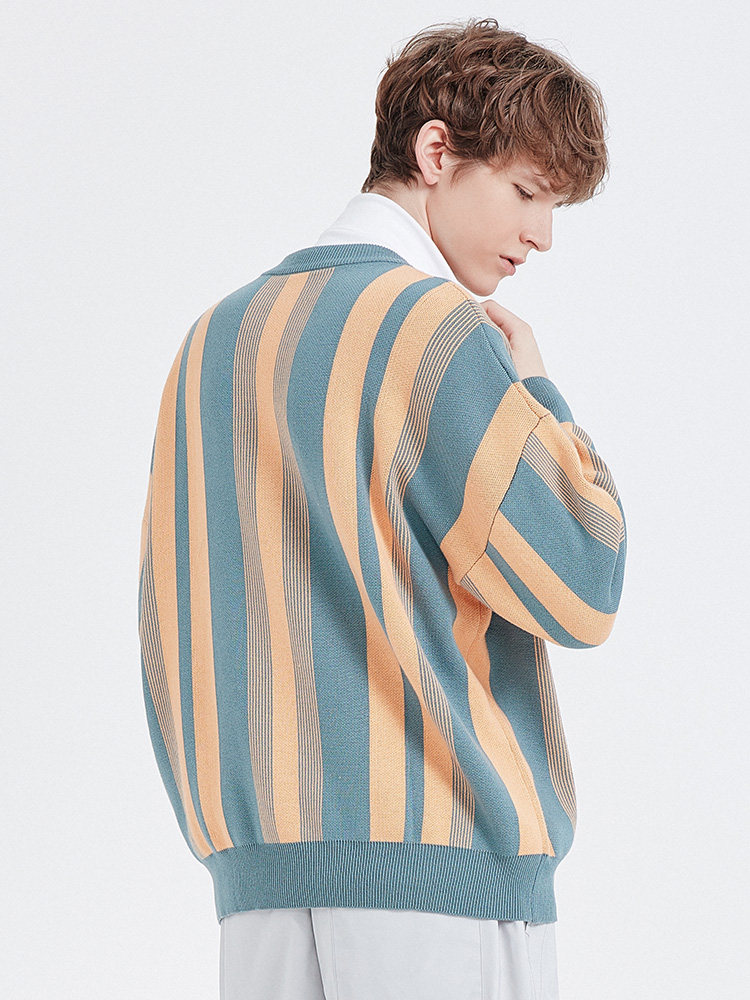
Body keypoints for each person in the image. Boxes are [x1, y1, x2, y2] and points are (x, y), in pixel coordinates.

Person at [137, 17, 627, 1000]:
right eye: (527, 192)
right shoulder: (436, 330)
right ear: (436, 151)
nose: (542, 233)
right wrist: (537, 394)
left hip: (259, 893)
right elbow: (582, 582)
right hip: (442, 890)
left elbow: (174, 614)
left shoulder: (213, 341)